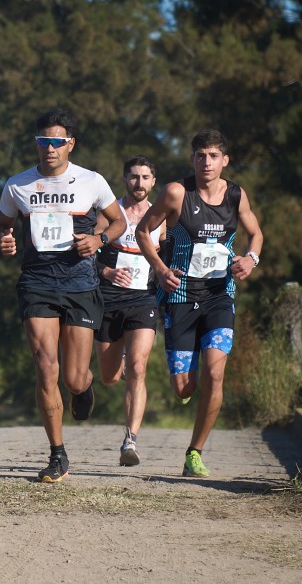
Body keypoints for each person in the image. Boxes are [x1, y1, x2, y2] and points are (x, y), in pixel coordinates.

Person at [0, 108, 127, 483]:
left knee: (72, 377)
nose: (49, 148)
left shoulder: (91, 181)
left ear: (70, 143)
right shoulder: (18, 185)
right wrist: (4, 240)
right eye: (43, 141)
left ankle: (82, 390)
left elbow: (119, 222)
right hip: (37, 282)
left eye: (56, 142)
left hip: (80, 285)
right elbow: (3, 225)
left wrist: (99, 239)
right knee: (45, 367)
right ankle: (58, 455)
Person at [135, 129, 263, 478]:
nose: (206, 162)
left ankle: (195, 451)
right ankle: (187, 388)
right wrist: (160, 269)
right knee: (184, 388)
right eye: (200, 156)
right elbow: (142, 232)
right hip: (179, 296)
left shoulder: (236, 195)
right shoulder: (177, 193)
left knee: (215, 373)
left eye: (213, 155)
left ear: (225, 160)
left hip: (219, 296)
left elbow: (257, 234)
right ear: (192, 159)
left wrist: (251, 258)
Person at [93, 155, 166, 467]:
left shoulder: (161, 217)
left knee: (138, 366)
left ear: (153, 182)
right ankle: (118, 364)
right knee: (109, 378)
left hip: (144, 300)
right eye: (134, 177)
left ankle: (130, 441)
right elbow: (88, 253)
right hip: (108, 300)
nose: (140, 183)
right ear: (125, 179)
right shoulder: (111, 212)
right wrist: (106, 272)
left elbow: (174, 252)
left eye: (145, 177)